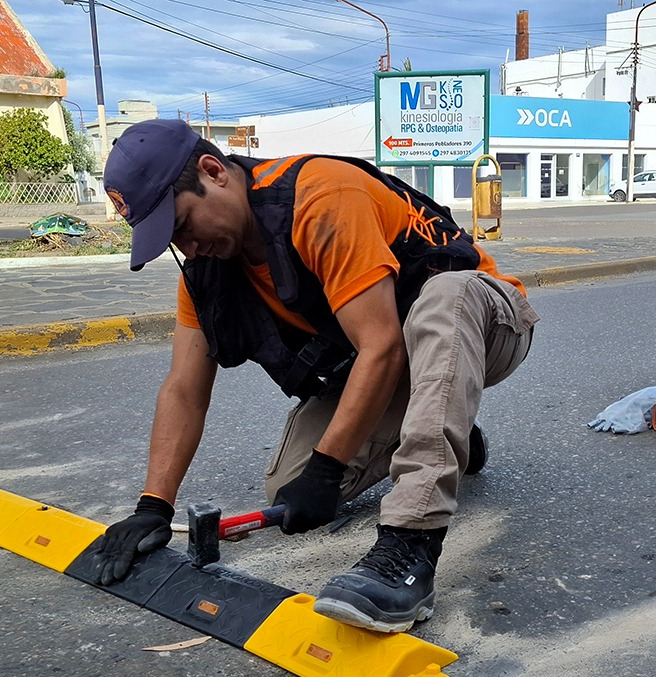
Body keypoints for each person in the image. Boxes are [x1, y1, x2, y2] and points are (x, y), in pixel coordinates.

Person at [91, 119, 539, 633]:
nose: (188, 248)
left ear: (214, 172)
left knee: (445, 295)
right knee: (288, 488)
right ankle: (442, 424)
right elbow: (184, 388)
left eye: (183, 225)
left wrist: (329, 468)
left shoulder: (319, 197)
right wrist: (153, 505)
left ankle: (411, 546)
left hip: (485, 321)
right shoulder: (209, 269)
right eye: (172, 240)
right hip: (400, 358)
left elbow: (381, 345)